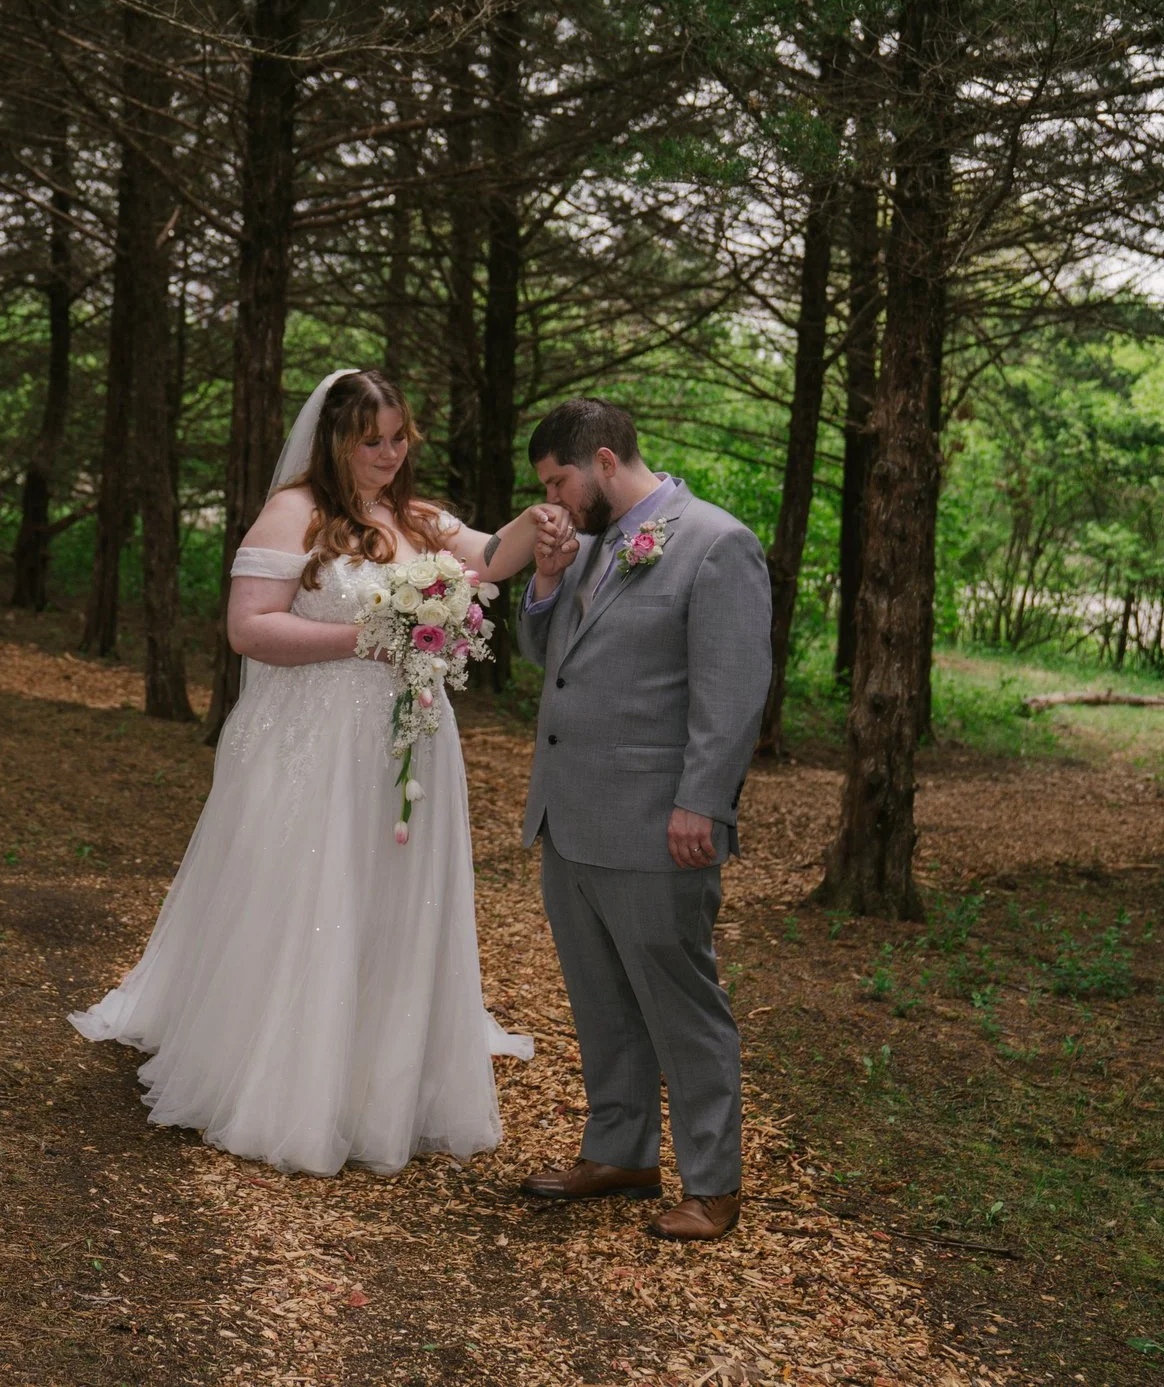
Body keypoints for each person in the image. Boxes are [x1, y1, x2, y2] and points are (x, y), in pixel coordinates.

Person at [70, 369, 546, 1174]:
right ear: (335, 440)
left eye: (400, 438)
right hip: (314, 740)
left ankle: (376, 1075)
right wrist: (371, 636)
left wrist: (546, 521)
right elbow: (248, 628)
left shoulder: (416, 517)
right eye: (373, 441)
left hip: (407, 742)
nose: (390, 454)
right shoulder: (296, 512)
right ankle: (284, 1076)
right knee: (310, 891)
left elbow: (494, 558)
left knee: (388, 896)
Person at [510, 396, 771, 1242]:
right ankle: (619, 1149)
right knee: (600, 998)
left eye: (560, 480)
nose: (554, 499)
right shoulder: (588, 549)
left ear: (606, 461)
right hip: (572, 817)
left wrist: (704, 798)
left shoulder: (716, 543)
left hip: (660, 825)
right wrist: (546, 578)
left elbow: (730, 692)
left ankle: (713, 1182)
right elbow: (549, 658)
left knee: (681, 1002)